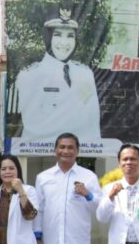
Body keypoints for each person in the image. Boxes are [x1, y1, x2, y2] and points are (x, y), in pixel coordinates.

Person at [14, 9, 100, 144]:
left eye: (70, 36)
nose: (64, 43)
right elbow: (31, 123)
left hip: (78, 150)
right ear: (47, 38)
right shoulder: (30, 75)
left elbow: (93, 120)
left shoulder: (85, 74)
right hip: (38, 151)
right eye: (58, 35)